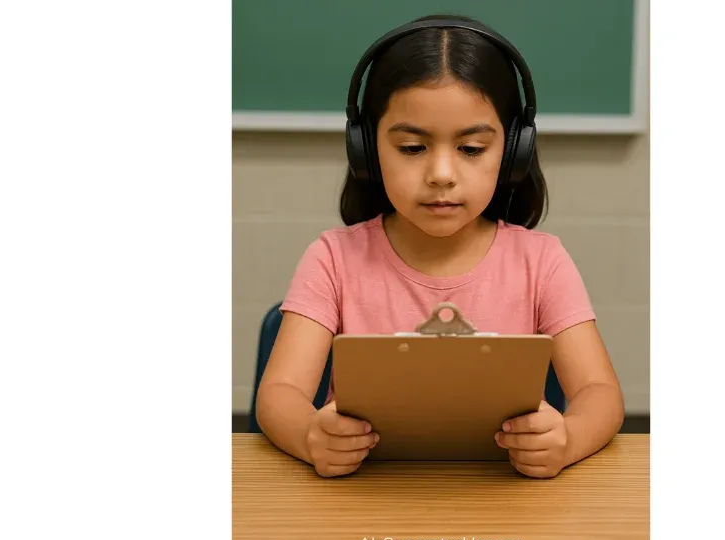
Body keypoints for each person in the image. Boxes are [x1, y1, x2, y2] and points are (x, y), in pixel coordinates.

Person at [255, 14, 624, 478]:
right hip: (362, 494)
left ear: (513, 154)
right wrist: (310, 434)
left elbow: (600, 393)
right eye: (412, 148)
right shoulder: (333, 258)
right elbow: (279, 393)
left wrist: (567, 439)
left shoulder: (542, 261)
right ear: (367, 151)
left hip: (508, 498)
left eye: (471, 149)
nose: (442, 174)